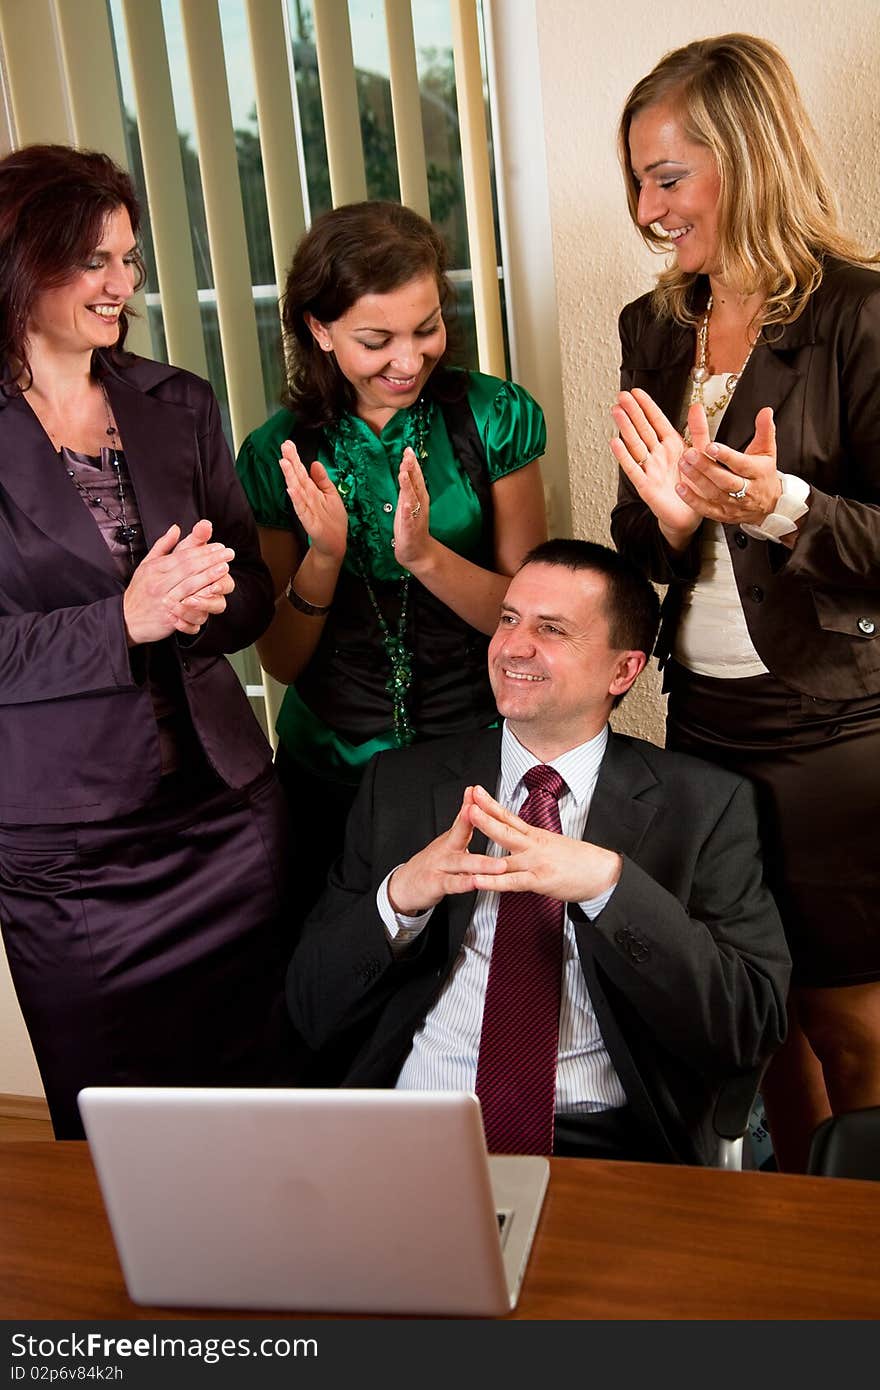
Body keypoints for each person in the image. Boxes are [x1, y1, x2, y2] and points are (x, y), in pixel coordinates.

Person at [287, 540, 790, 1165]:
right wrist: (397, 901)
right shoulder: (402, 786)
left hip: (602, 1140)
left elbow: (748, 1027)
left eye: (551, 629)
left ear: (623, 671)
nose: (513, 646)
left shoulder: (706, 806)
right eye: (508, 619)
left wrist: (612, 885)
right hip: (417, 1125)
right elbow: (309, 1005)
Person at [609, 33, 880, 1172]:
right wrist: (668, 527)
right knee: (753, 1015)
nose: (646, 207)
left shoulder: (859, 317)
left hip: (831, 735)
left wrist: (781, 508)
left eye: (668, 176)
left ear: (749, 156)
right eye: (635, 180)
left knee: (849, 1027)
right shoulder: (652, 325)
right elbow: (641, 536)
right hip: (703, 728)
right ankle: (800, 1237)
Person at [0, 145, 291, 1139]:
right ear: (18, 263)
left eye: (128, 256)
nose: (124, 283)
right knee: (117, 1137)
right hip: (71, 856)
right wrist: (123, 619)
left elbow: (254, 591)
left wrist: (214, 603)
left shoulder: (180, 402)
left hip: (229, 816)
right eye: (94, 260)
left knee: (272, 1096)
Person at [236, 201, 547, 916]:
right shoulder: (275, 454)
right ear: (319, 330)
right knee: (341, 981)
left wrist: (424, 556)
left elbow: (534, 621)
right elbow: (280, 662)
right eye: (377, 339)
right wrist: (325, 555)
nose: (409, 360)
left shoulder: (495, 417)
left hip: (479, 762)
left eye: (427, 328)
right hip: (327, 776)